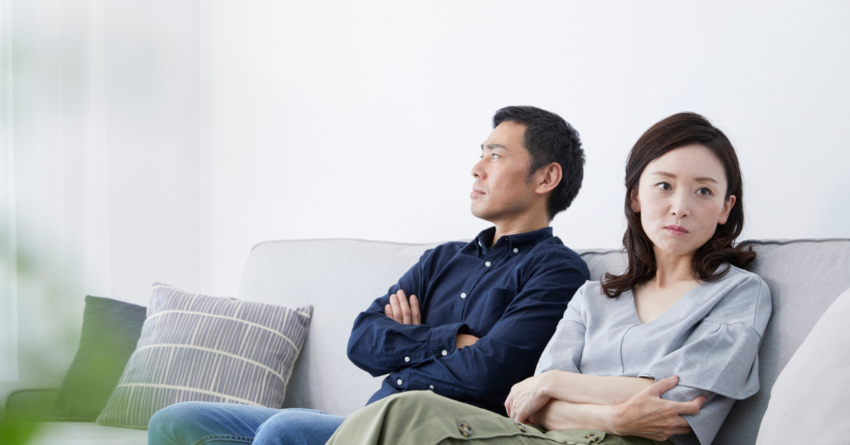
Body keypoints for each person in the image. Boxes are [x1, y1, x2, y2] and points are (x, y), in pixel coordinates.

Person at [147, 106, 590, 445]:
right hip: (367, 418)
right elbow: (362, 340)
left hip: (428, 431)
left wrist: (413, 337)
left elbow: (489, 373)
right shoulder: (443, 259)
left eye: (496, 155)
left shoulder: (557, 269)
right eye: (480, 154)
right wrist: (448, 339)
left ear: (546, 177)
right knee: (174, 420)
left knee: (284, 431)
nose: (477, 168)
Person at [325, 112, 772, 445]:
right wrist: (613, 413)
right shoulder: (593, 297)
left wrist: (555, 384)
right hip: (542, 440)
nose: (680, 206)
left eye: (704, 191)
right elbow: (526, 405)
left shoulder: (739, 294)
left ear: (727, 207)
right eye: (664, 186)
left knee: (406, 413)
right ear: (635, 197)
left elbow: (675, 407)